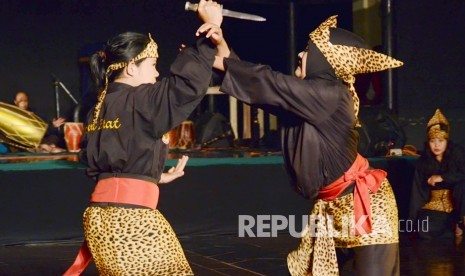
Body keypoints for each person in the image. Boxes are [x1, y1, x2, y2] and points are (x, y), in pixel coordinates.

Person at [212, 15, 403, 275]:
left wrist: (222, 62)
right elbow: (265, 94)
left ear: (324, 59)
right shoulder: (312, 99)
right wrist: (221, 47)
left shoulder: (331, 94)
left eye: (308, 50)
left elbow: (272, 83)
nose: (301, 54)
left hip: (365, 207)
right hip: (333, 206)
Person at [64, 1, 224, 275]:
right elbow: (185, 87)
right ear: (130, 68)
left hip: (101, 220)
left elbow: (101, 164)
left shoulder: (98, 108)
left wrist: (152, 175)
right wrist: (212, 29)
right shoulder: (140, 100)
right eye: (152, 64)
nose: (157, 72)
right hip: (130, 220)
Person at [409, 109, 465, 239]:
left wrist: (442, 177)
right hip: (436, 206)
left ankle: (460, 221)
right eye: (433, 141)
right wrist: (413, 220)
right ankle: (452, 226)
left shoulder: (457, 154)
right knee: (423, 230)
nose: (437, 145)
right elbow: (417, 192)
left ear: (447, 141)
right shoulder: (423, 161)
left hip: (459, 204)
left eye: (441, 141)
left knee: (463, 185)